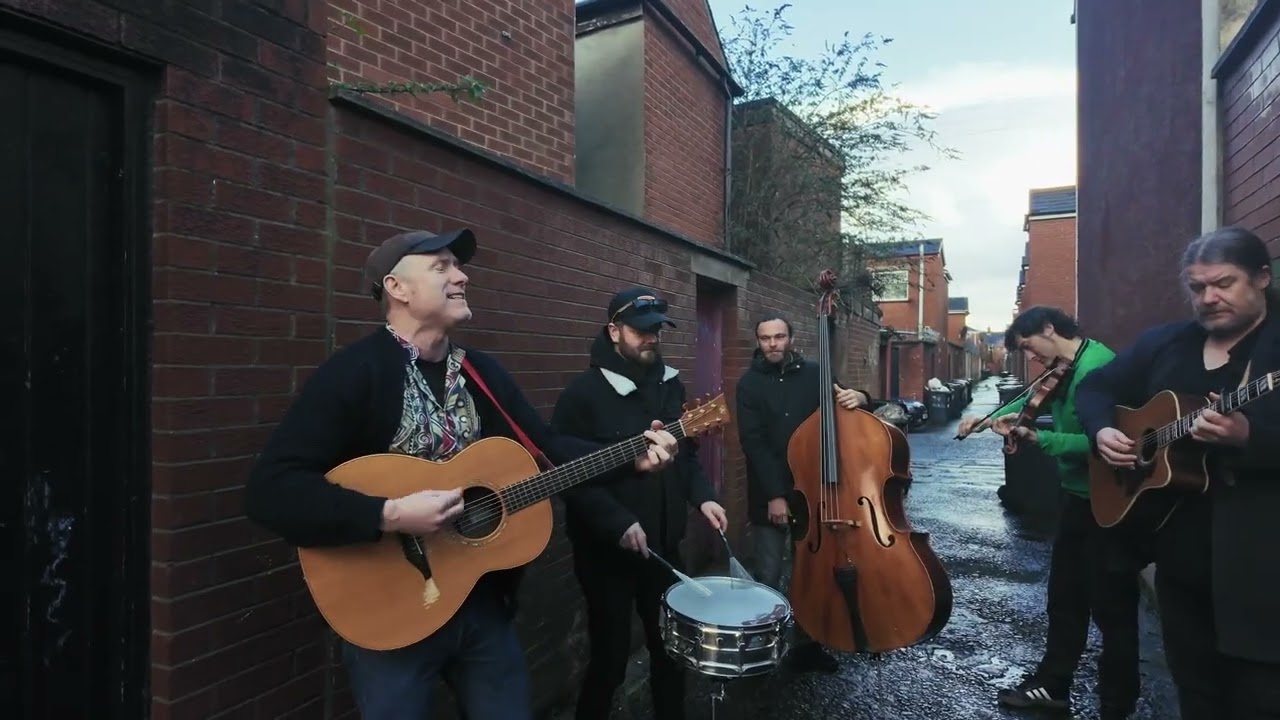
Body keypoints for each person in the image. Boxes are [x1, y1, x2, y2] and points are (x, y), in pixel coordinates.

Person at [243, 229, 681, 720]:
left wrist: (631, 456)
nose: (461, 275)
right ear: (397, 288)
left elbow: (547, 448)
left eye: (458, 265)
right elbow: (270, 491)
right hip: (389, 615)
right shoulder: (353, 374)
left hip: (479, 605)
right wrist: (388, 514)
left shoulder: (481, 373)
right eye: (442, 267)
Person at [1077, 226, 1280, 720]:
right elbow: (1097, 387)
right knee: (1195, 686)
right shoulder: (1168, 343)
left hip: (1261, 562)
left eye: (1224, 284)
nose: (1209, 298)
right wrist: (1103, 431)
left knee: (1258, 694)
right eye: (1197, 288)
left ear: (1262, 278)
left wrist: (1248, 438)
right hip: (1177, 550)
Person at [550, 287, 728, 720]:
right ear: (614, 331)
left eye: (657, 331)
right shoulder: (582, 396)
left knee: (672, 653)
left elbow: (682, 453)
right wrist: (617, 522)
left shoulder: (670, 384)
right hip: (606, 553)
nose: (652, 339)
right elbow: (569, 478)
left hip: (665, 548)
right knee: (609, 661)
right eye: (641, 331)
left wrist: (703, 497)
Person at [956, 305, 1140, 719]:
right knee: (1064, 598)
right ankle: (1053, 685)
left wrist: (1040, 439)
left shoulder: (1097, 367)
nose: (1031, 357)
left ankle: (1118, 703)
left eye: (1029, 346)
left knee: (1112, 608)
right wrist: (987, 421)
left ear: (1049, 329)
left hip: (1109, 501)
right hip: (1076, 497)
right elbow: (1028, 402)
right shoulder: (1064, 366)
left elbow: (1100, 445)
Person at [733, 315, 875, 673]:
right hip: (770, 490)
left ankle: (807, 645)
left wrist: (863, 396)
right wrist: (775, 495)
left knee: (812, 572)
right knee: (768, 571)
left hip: (815, 492)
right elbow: (754, 443)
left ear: (791, 338)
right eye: (765, 338)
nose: (773, 344)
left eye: (779, 336)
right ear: (758, 342)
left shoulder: (815, 374)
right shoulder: (749, 384)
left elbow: (850, 407)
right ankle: (763, 645)